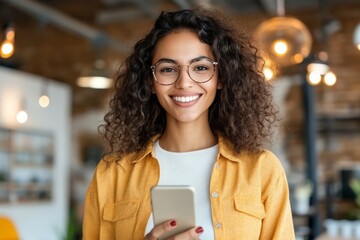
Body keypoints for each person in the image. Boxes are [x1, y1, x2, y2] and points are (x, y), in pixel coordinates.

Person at [83, 8, 295, 240]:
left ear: (221, 77)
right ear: (151, 82)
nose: (184, 83)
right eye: (167, 69)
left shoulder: (263, 170)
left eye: (201, 67)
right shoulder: (112, 175)